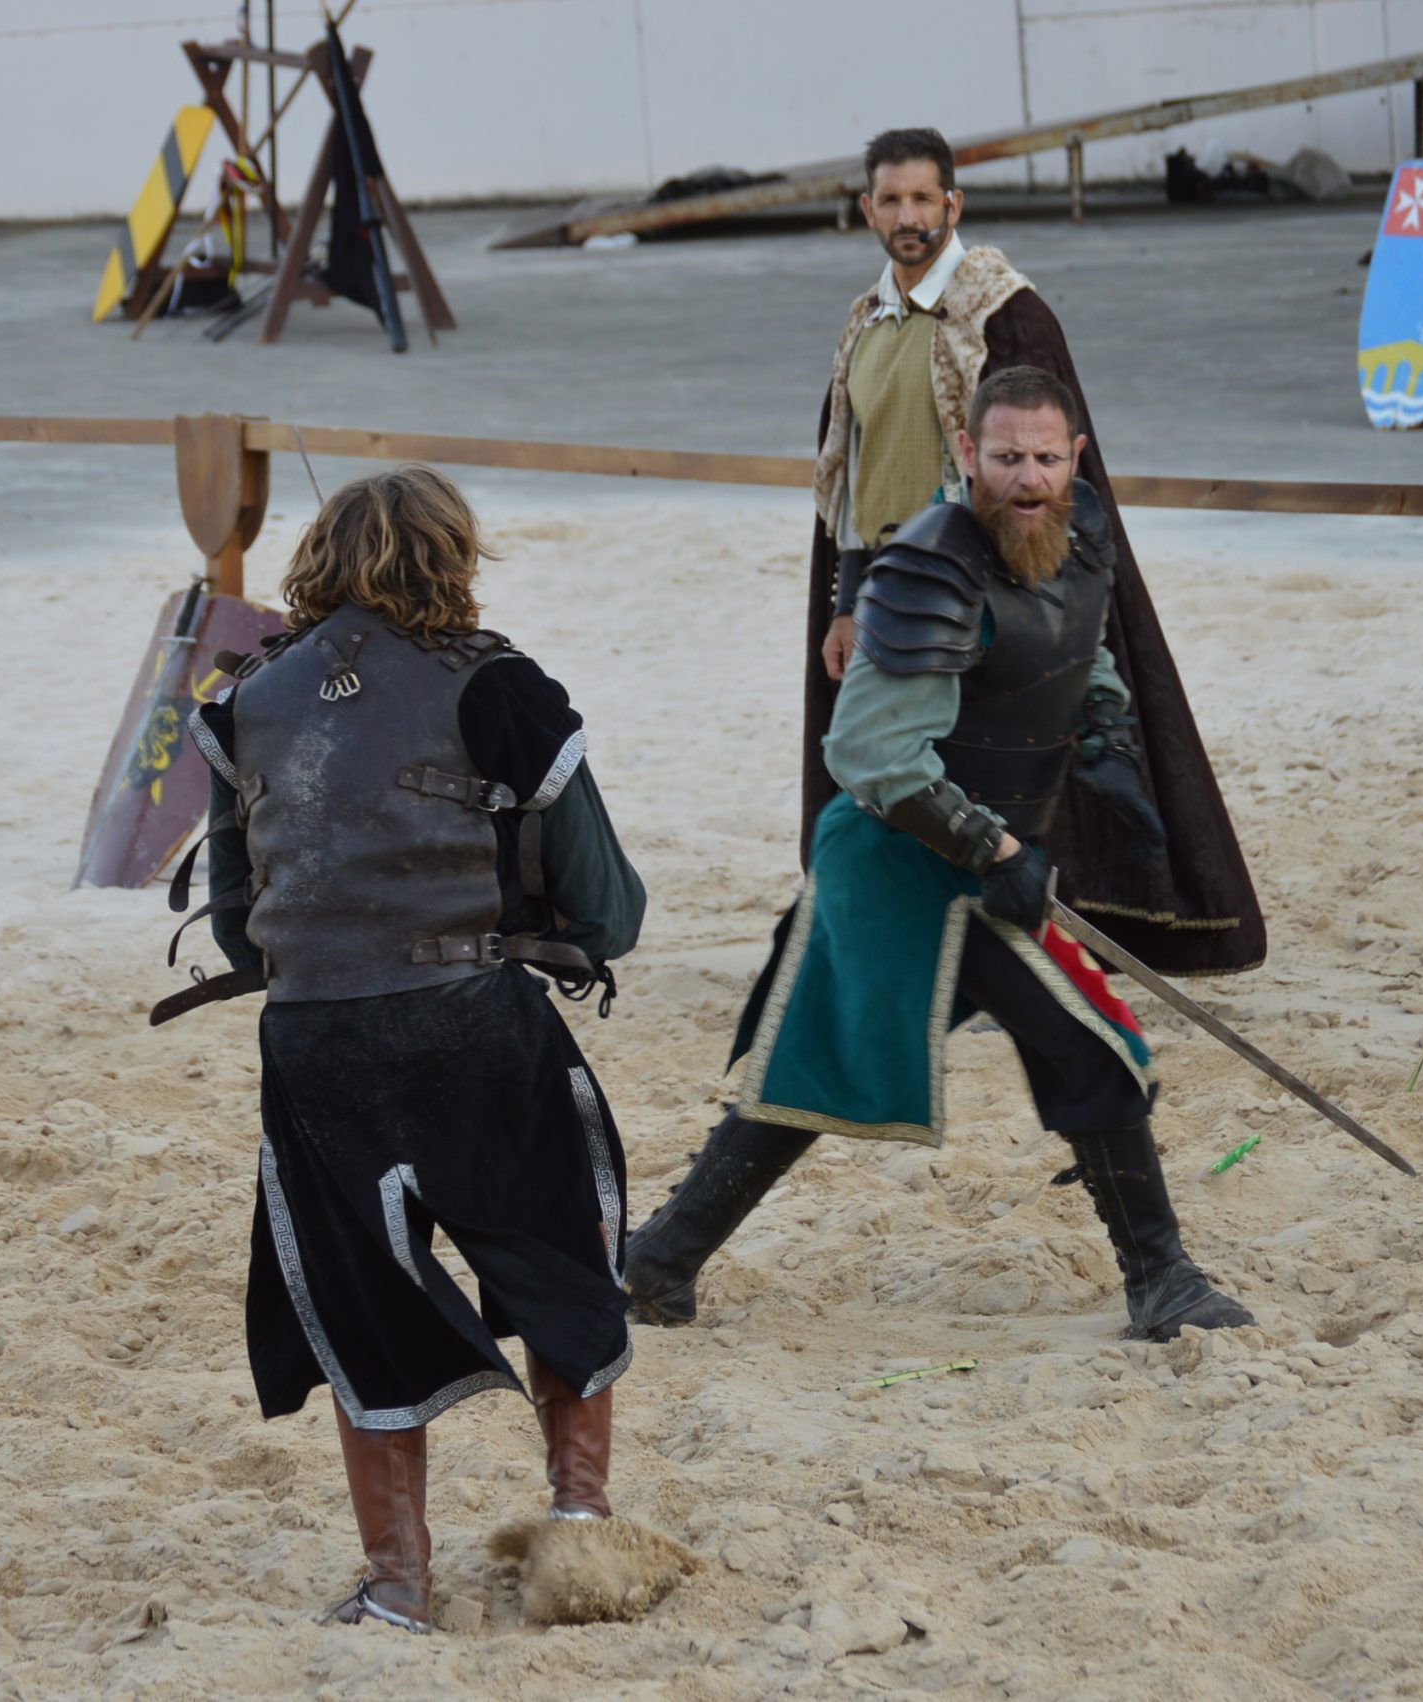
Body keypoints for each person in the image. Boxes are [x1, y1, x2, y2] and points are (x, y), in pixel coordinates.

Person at [622, 367, 1256, 1344]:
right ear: (967, 454)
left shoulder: (1074, 529)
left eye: (1048, 458)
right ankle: (1161, 1279)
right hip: (897, 863)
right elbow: (867, 751)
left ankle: (659, 1258)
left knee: (821, 1064)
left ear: (1075, 458)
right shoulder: (931, 566)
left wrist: (1098, 730)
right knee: (1087, 1043)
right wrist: (993, 844)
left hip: (977, 857)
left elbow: (1070, 642)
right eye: (1006, 458)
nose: (1029, 479)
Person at [159, 466, 655, 1633]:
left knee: (357, 1298)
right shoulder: (503, 688)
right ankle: (577, 1528)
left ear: (317, 564)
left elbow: (240, 925)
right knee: (560, 1257)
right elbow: (610, 908)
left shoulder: (244, 702)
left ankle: (396, 1587)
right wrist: (536, 934)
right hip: (474, 1033)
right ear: (455, 559)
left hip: (317, 1050)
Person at [803, 126, 1263, 977]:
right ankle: (928, 939)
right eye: (892, 200)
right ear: (868, 209)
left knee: (1015, 760)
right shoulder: (865, 326)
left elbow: (1046, 477)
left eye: (924, 199)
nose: (909, 217)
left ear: (954, 204)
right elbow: (854, 480)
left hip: (1001, 586)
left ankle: (1041, 931)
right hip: (899, 594)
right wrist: (843, 602)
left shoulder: (1006, 313)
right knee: (899, 765)